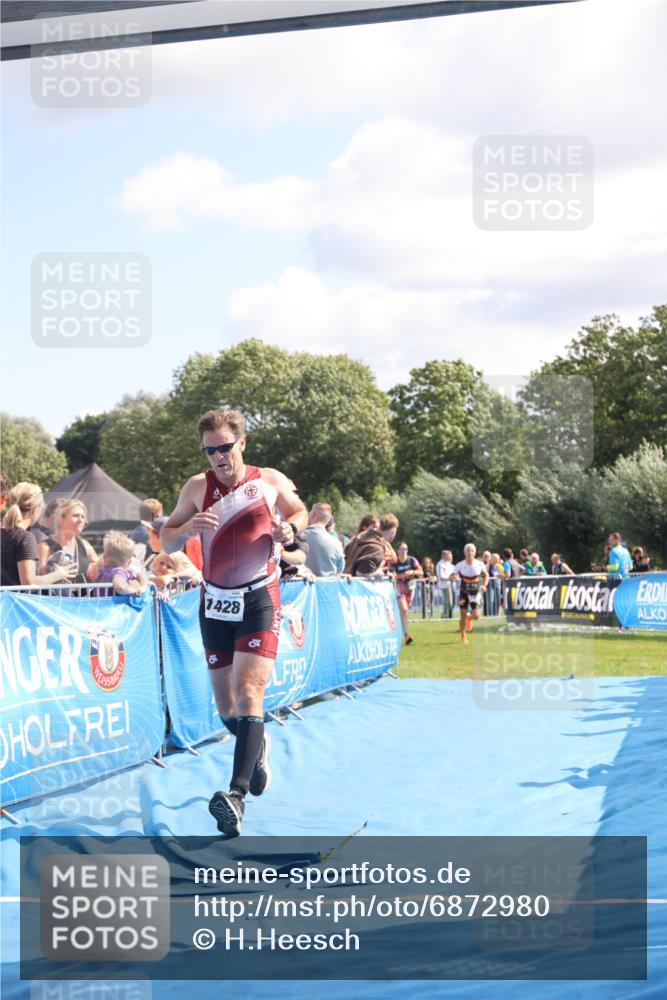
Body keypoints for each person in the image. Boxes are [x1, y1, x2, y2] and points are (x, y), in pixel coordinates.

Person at [161, 408, 307, 838]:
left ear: (241, 443)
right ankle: (256, 744)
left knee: (249, 693)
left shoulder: (269, 480)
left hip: (259, 596)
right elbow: (166, 538)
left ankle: (236, 795)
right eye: (210, 451)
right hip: (214, 601)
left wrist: (289, 530)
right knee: (227, 708)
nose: (219, 457)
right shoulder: (197, 487)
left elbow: (299, 512)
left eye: (225, 447)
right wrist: (188, 527)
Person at [1, 483, 76, 587]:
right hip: (14, 597)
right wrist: (59, 574)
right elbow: (28, 582)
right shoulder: (24, 537)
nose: (43, 507)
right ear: (35, 509)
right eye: (42, 505)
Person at [42, 499, 97, 584]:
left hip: (81, 593)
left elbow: (104, 565)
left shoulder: (85, 545)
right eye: (75, 516)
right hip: (56, 593)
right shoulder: (45, 547)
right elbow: (40, 577)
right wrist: (55, 573)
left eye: (83, 517)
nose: (80, 520)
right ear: (61, 519)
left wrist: (96, 566)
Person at [452, 543, 488, 644]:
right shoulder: (460, 565)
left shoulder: (480, 564)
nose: (470, 552)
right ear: (464, 552)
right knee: (462, 614)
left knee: (476, 615)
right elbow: (452, 575)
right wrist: (453, 577)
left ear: (475, 552)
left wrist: (484, 585)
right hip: (463, 593)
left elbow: (486, 576)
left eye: (472, 551)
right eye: (468, 550)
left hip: (475, 593)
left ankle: (469, 618)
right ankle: (463, 636)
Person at [388, 542, 423, 645]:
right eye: (402, 549)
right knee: (404, 609)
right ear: (397, 550)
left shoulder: (412, 560)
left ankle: (401, 631)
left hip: (410, 588)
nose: (404, 551)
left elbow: (421, 572)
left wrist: (413, 572)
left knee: (404, 612)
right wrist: (394, 575)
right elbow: (389, 573)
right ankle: (406, 635)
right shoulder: (394, 561)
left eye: (406, 549)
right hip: (399, 588)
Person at [302, 502, 344, 576]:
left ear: (313, 515)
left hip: (303, 582)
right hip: (329, 582)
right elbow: (340, 569)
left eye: (309, 513)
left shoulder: (299, 537)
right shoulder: (337, 543)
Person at [436, 549, 456, 619]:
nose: (450, 557)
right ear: (444, 556)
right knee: (448, 602)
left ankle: (447, 615)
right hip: (445, 585)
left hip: (452, 584)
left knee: (452, 601)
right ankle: (447, 615)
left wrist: (454, 577)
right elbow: (440, 576)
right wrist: (449, 578)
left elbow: (453, 573)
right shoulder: (440, 564)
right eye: (449, 555)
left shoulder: (449, 564)